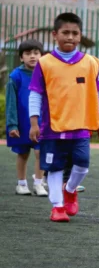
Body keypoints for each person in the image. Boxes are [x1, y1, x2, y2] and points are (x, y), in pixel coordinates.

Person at [28, 12, 99, 222]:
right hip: (52, 127)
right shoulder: (44, 63)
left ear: (80, 36)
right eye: (65, 32)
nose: (70, 37)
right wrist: (34, 123)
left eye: (75, 33)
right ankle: (57, 207)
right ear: (55, 34)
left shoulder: (91, 63)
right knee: (54, 167)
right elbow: (35, 94)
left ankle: (70, 190)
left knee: (82, 163)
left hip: (82, 126)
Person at [5, 39, 48, 196]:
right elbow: (10, 102)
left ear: (42, 56)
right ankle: (21, 184)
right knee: (23, 153)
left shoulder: (46, 75)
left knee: (40, 152)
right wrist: (12, 125)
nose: (32, 56)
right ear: (21, 57)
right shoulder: (15, 76)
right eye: (28, 53)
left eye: (36, 53)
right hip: (22, 122)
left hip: (41, 122)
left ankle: (38, 183)